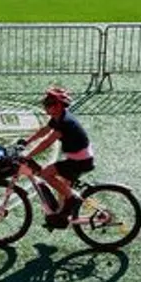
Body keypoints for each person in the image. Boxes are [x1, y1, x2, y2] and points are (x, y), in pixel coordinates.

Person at [20, 87, 93, 228]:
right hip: (79, 157)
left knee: (47, 174)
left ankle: (73, 199)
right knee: (61, 185)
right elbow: (45, 131)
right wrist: (27, 142)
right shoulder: (58, 116)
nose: (45, 106)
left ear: (58, 106)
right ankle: (61, 216)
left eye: (48, 104)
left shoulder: (65, 122)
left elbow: (47, 142)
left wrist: (28, 155)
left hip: (79, 161)